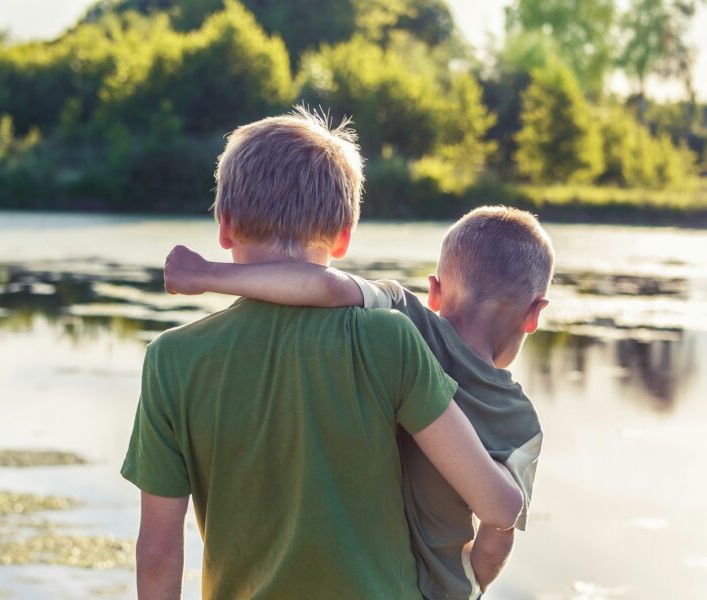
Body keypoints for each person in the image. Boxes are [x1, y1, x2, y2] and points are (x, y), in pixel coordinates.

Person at [122, 108, 523, 600]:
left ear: (224, 227)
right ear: (344, 235)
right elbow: (497, 506)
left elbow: (159, 553)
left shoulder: (171, 360)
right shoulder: (390, 340)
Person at [163, 205, 554, 599]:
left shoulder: (406, 317)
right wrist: (472, 582)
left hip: (360, 571)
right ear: (534, 314)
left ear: (435, 292)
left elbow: (326, 286)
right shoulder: (521, 423)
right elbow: (496, 537)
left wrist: (208, 275)